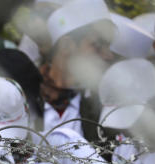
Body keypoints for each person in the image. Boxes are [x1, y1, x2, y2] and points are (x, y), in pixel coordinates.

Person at [39, 0, 116, 139]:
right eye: (97, 46)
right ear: (67, 46)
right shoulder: (25, 99)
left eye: (108, 46)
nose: (108, 55)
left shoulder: (107, 109)